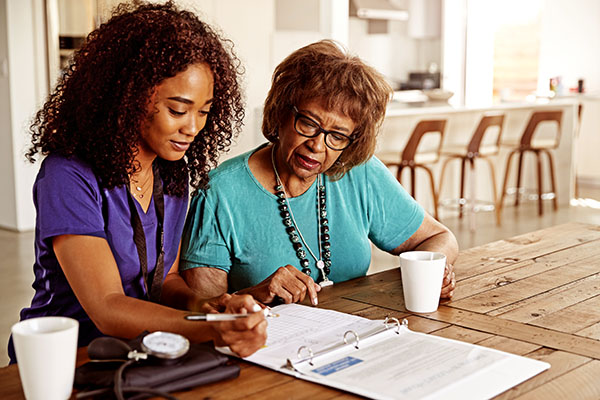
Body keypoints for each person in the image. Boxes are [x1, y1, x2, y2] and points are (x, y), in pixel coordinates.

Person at [8, 2, 266, 364]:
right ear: (127, 97)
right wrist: (208, 327)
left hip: (141, 354)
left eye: (204, 111)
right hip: (64, 360)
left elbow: (167, 280)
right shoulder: (68, 175)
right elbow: (108, 308)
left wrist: (209, 308)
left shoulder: (171, 172)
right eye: (177, 109)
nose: (192, 128)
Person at [179, 40, 458, 306]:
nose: (317, 145)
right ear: (281, 113)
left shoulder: (359, 172)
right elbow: (204, 311)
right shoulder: (220, 193)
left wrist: (435, 269)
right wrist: (255, 295)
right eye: (309, 123)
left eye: (337, 136)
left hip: (356, 336)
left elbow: (439, 238)